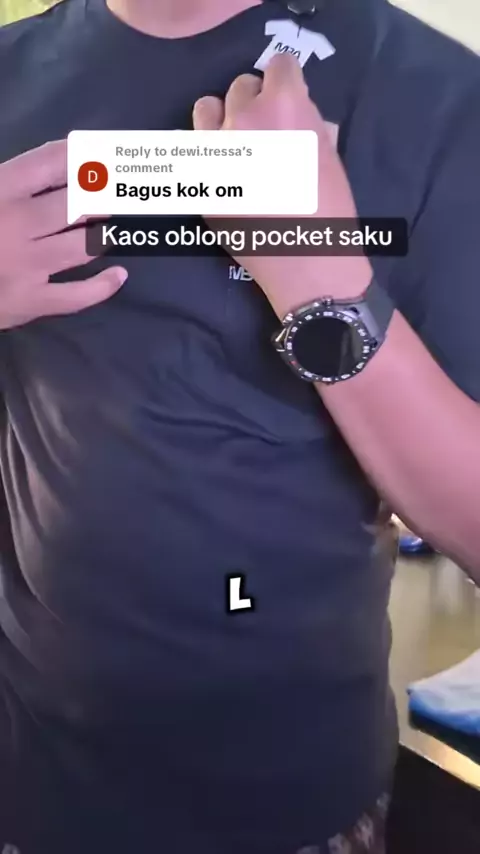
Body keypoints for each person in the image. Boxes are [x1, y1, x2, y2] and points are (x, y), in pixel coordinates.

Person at [0, 0, 479, 852]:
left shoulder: (434, 97)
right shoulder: (12, 68)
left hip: (293, 810)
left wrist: (318, 277)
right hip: (26, 788)